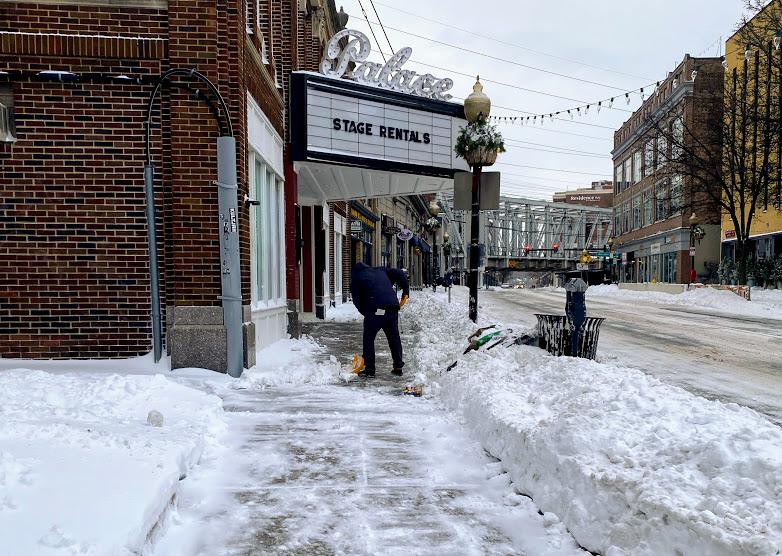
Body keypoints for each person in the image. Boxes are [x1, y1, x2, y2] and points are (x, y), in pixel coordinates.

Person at [350, 262, 409, 378]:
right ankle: (398, 367)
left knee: (368, 338)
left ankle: (370, 369)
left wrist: (366, 313)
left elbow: (357, 301)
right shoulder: (381, 270)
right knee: (394, 337)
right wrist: (406, 291)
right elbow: (400, 273)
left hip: (375, 309)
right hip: (392, 307)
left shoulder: (356, 278)